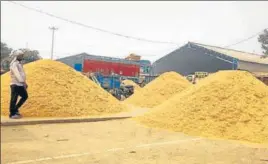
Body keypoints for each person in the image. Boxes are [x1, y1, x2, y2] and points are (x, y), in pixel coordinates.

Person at [9, 50, 28, 119]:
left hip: (20, 84)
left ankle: (15, 109)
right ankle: (12, 114)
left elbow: (22, 74)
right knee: (14, 99)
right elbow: (17, 74)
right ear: (16, 56)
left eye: (22, 56)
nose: (21, 57)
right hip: (15, 84)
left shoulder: (19, 63)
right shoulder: (14, 64)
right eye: (20, 56)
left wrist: (24, 83)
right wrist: (22, 82)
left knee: (25, 96)